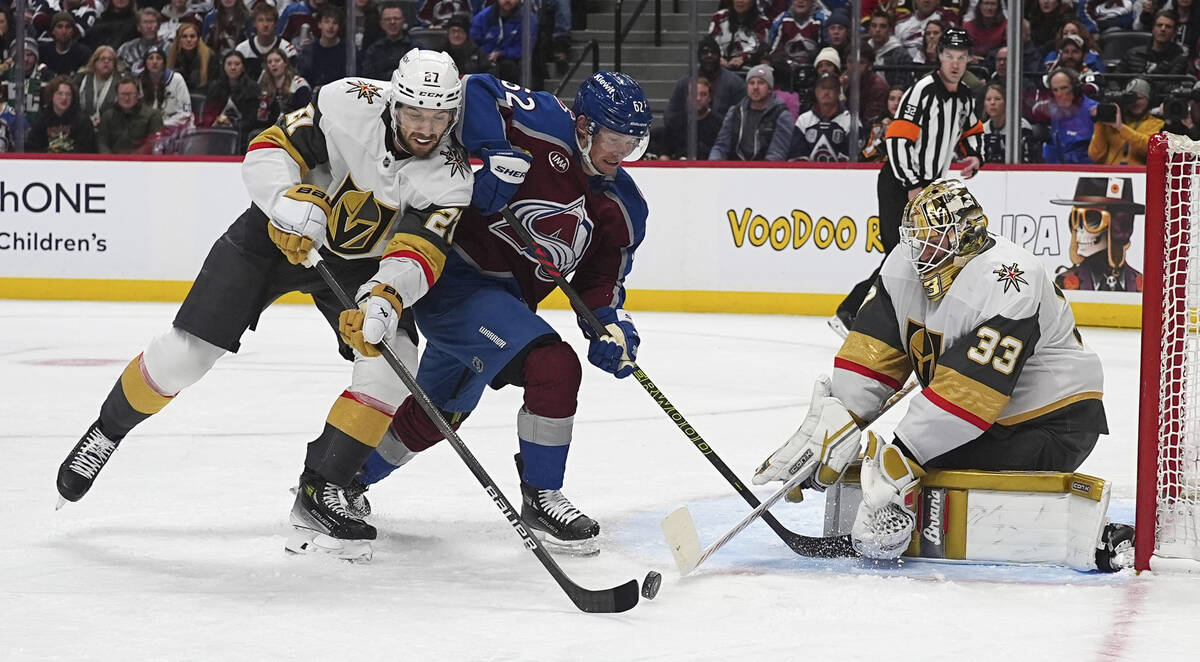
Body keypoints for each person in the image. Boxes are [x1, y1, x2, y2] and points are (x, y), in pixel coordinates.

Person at [56, 51, 475, 560]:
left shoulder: (451, 175)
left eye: (439, 118)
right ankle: (108, 429)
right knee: (185, 356)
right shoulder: (347, 102)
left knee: (393, 360)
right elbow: (269, 148)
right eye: (415, 115)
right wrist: (285, 201)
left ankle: (322, 487)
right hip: (274, 236)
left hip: (361, 265)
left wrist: (388, 296)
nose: (426, 129)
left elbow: (419, 250)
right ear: (393, 101)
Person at [293, 71, 652, 558]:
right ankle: (542, 497)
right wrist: (491, 150)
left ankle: (348, 479)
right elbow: (477, 85)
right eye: (615, 138)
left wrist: (609, 322)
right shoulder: (543, 121)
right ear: (585, 125)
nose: (622, 152)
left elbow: (600, 281)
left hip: (506, 308)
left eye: (634, 142)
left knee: (443, 412)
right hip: (454, 279)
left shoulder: (623, 204)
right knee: (554, 365)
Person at [752, 179, 1108, 563]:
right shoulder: (904, 265)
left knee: (918, 463)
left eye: (932, 237)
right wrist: (839, 419)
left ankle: (912, 521)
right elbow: (873, 351)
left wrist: (902, 458)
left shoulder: (1009, 281)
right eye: (915, 237)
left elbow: (968, 396)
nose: (919, 248)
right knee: (906, 461)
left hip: (1053, 423)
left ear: (963, 237)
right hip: (987, 420)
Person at [831, 27, 982, 337]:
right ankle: (851, 311)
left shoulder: (964, 96)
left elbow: (971, 130)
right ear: (940, 57)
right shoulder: (922, 91)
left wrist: (976, 156)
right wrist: (911, 183)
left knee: (922, 255)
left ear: (968, 60)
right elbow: (897, 140)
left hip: (929, 188)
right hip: (900, 181)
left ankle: (887, 316)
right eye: (950, 56)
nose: (955, 64)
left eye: (961, 58)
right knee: (900, 253)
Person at [709, 63, 793, 160]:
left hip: (765, 170)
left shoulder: (782, 115)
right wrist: (713, 164)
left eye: (761, 83)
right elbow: (721, 146)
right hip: (734, 169)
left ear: (770, 89)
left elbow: (777, 153)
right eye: (751, 83)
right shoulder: (734, 112)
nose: (755, 87)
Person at [1087, 78, 1163, 165]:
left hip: (1138, 176)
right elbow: (1095, 156)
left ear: (1149, 100)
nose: (1135, 103)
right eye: (1131, 99)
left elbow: (1150, 148)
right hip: (1111, 174)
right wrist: (1099, 123)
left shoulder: (1157, 124)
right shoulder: (1110, 122)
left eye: (1140, 98)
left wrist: (1120, 127)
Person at [788, 72, 857, 161]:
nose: (826, 92)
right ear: (816, 91)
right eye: (823, 88)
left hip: (841, 173)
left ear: (838, 92)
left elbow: (851, 159)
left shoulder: (851, 121)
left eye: (831, 88)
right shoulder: (804, 120)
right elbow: (796, 156)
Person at [200, 50, 261, 143]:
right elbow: (207, 113)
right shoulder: (215, 87)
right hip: (217, 132)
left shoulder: (252, 88)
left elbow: (252, 120)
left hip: (242, 136)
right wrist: (215, 121)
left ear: (243, 67)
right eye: (229, 64)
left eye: (237, 64)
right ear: (224, 66)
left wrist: (232, 125)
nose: (233, 67)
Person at [26, 75, 97, 153]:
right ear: (51, 96)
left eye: (68, 94)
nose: (64, 98)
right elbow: (33, 147)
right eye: (60, 93)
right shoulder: (42, 118)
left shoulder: (83, 120)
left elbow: (85, 149)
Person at [470, 0, 535, 84]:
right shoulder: (483, 16)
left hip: (512, 62)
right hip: (485, 59)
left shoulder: (528, 19)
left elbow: (524, 48)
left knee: (509, 66)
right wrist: (484, 54)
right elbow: (473, 41)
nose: (508, 0)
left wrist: (503, 53)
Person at [96, 75, 164, 153]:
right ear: (117, 95)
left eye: (130, 94)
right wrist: (110, 161)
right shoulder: (107, 116)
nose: (126, 98)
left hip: (141, 162)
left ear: (138, 94)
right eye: (123, 94)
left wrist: (131, 160)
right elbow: (102, 143)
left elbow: (153, 143)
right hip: (113, 161)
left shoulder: (153, 115)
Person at [1042, 68, 1097, 164]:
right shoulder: (1055, 112)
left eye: (1064, 88)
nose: (1060, 94)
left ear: (1075, 88)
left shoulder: (1094, 110)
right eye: (1055, 90)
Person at [138, 45, 193, 134]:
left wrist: (161, 124)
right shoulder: (140, 81)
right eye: (151, 58)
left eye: (159, 58)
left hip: (176, 127)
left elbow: (185, 113)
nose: (155, 62)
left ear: (164, 63)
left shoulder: (177, 79)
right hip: (150, 129)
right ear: (145, 63)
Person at [235, 3, 298, 81]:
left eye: (269, 20)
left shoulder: (287, 50)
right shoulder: (242, 50)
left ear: (276, 24)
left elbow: (292, 79)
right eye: (260, 20)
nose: (265, 24)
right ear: (254, 24)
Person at [254, 46, 311, 128]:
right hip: (270, 130)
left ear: (285, 63)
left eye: (277, 61)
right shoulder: (264, 86)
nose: (273, 64)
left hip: (294, 129)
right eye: (269, 62)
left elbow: (304, 113)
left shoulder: (298, 84)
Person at [297, 5, 351, 88]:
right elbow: (302, 80)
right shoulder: (309, 51)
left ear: (339, 26)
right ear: (319, 24)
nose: (331, 26)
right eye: (327, 22)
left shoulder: (348, 50)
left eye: (335, 23)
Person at [358, 2, 414, 80]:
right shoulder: (373, 50)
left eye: (396, 18)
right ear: (381, 24)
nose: (392, 22)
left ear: (403, 22)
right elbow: (367, 79)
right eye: (387, 19)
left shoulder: (415, 49)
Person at [980, 83, 1034, 163]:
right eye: (988, 99)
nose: (992, 103)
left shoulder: (1021, 127)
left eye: (997, 99)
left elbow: (1028, 160)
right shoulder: (981, 130)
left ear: (1006, 102)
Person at [709, 0, 770, 70]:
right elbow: (712, 41)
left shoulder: (762, 21)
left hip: (750, 67)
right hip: (720, 65)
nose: (740, 1)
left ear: (752, 2)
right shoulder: (719, 17)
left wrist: (743, 58)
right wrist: (718, 56)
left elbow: (760, 46)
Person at [866, 9, 915, 87]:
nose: (877, 30)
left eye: (883, 26)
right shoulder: (863, 50)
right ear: (869, 29)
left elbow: (902, 84)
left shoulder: (901, 54)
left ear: (889, 29)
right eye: (874, 26)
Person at [168, 22, 218, 96]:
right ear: (179, 39)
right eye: (184, 36)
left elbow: (214, 82)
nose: (188, 40)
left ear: (198, 39)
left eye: (192, 36)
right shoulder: (173, 56)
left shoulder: (210, 56)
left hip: (204, 95)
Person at [75, 45, 120, 126]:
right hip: (83, 124)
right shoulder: (81, 78)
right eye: (102, 59)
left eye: (110, 59)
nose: (106, 62)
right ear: (94, 62)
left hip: (111, 125)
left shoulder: (120, 81)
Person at [40, 11, 93, 77]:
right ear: (53, 31)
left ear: (73, 31)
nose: (64, 31)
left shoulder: (83, 53)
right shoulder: (43, 51)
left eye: (68, 27)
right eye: (60, 27)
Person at [118, 8, 168, 74]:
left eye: (152, 22)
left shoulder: (169, 48)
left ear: (159, 26)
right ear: (138, 27)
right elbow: (119, 72)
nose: (149, 26)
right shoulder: (126, 49)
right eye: (145, 22)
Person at [861, 84, 903, 162]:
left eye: (900, 99)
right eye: (892, 99)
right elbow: (865, 155)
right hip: (876, 169)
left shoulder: (912, 125)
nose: (896, 103)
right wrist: (883, 139)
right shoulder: (876, 124)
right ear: (886, 101)